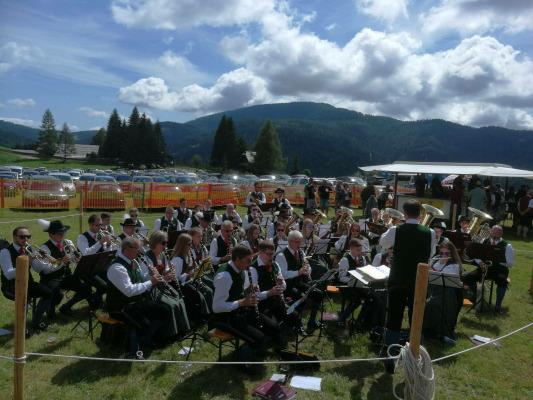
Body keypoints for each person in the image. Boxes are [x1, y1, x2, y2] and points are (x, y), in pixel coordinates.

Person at [379, 200, 435, 373]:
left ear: (404, 213)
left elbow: (383, 243)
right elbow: (431, 253)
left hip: (398, 279)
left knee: (394, 318)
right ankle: (416, 358)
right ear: (420, 214)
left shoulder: (396, 230)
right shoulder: (430, 232)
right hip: (418, 281)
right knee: (416, 319)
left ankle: (391, 357)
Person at [210, 245, 284, 362]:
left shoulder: (240, 269)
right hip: (225, 317)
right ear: (237, 259)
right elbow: (217, 307)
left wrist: (249, 289)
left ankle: (261, 350)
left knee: (273, 327)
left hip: (240, 310)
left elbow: (237, 291)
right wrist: (242, 302)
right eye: (248, 261)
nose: (250, 264)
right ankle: (244, 363)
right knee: (258, 338)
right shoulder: (224, 276)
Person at [106, 237, 170, 359]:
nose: (140, 251)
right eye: (137, 249)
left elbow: (141, 280)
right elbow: (129, 291)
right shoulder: (117, 267)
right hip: (120, 307)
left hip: (134, 302)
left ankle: (145, 339)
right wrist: (151, 282)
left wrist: (153, 275)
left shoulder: (133, 262)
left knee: (164, 310)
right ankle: (133, 351)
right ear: (127, 249)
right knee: (142, 323)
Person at [137, 230, 190, 339]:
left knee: (179, 299)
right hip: (153, 290)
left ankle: (182, 329)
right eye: (163, 243)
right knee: (171, 304)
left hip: (163, 286)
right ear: (155, 243)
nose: (166, 246)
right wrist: (163, 277)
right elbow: (144, 279)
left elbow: (164, 271)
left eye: (166, 243)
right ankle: (171, 334)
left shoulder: (162, 255)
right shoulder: (147, 258)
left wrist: (169, 272)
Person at [0, 226, 53, 331]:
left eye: (28, 236)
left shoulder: (29, 249)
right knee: (25, 298)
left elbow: (37, 269)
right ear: (14, 237)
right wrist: (26, 261)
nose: (25, 239)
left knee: (48, 293)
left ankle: (36, 321)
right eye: (22, 237)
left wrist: (42, 259)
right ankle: (21, 328)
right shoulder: (5, 252)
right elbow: (8, 274)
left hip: (28, 283)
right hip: (10, 286)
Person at [37, 220, 94, 316]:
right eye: (59, 233)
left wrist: (77, 258)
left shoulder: (68, 242)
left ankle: (67, 306)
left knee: (85, 287)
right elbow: (46, 270)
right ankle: (50, 309)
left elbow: (74, 259)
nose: (62, 235)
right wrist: (61, 262)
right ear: (51, 234)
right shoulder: (45, 248)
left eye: (63, 232)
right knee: (56, 292)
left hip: (66, 276)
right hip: (51, 278)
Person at [275, 230, 324, 333]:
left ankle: (312, 321)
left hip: (301, 283)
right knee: (302, 298)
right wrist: (298, 272)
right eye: (297, 242)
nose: (300, 245)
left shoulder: (300, 252)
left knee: (319, 294)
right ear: (290, 241)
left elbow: (308, 266)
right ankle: (297, 324)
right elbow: (283, 274)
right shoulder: (281, 255)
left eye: (300, 242)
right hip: (288, 285)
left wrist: (307, 270)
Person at [251, 240, 301, 334]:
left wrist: (281, 284)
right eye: (268, 254)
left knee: (295, 315)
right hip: (262, 305)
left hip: (276, 301)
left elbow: (284, 285)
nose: (271, 257)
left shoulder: (275, 264)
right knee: (274, 327)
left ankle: (287, 329)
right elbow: (255, 295)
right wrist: (270, 293)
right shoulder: (253, 269)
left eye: (272, 254)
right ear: (260, 253)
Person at [462, 225, 513, 314]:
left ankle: (497, 306)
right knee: (467, 277)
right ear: (490, 232)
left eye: (497, 233)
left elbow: (510, 263)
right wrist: (480, 263)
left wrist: (497, 261)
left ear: (501, 234)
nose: (495, 235)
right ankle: (474, 300)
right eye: (493, 232)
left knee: (503, 281)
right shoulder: (484, 241)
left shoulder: (507, 246)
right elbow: (476, 256)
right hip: (484, 268)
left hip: (499, 270)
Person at [423, 241, 463, 343]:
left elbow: (446, 276)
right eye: (441, 253)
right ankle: (426, 329)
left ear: (452, 253)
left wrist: (431, 270)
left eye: (447, 253)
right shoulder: (435, 261)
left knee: (431, 305)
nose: (444, 256)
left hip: (447, 294)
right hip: (433, 290)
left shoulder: (454, 265)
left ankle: (436, 331)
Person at [170, 233, 212, 325]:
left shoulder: (187, 255)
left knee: (207, 291)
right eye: (189, 244)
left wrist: (196, 269)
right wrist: (189, 275)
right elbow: (175, 278)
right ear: (182, 245)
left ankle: (208, 314)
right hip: (180, 286)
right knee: (199, 296)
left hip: (189, 281)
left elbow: (187, 270)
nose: (191, 246)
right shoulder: (177, 259)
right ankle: (199, 318)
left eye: (191, 244)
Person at [336, 239, 368, 325]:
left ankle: (361, 320)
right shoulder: (345, 259)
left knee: (371, 297)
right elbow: (341, 278)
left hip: (359, 286)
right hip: (346, 286)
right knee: (356, 299)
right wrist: (353, 279)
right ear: (351, 248)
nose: (360, 252)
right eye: (358, 250)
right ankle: (342, 319)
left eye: (360, 250)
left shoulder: (362, 259)